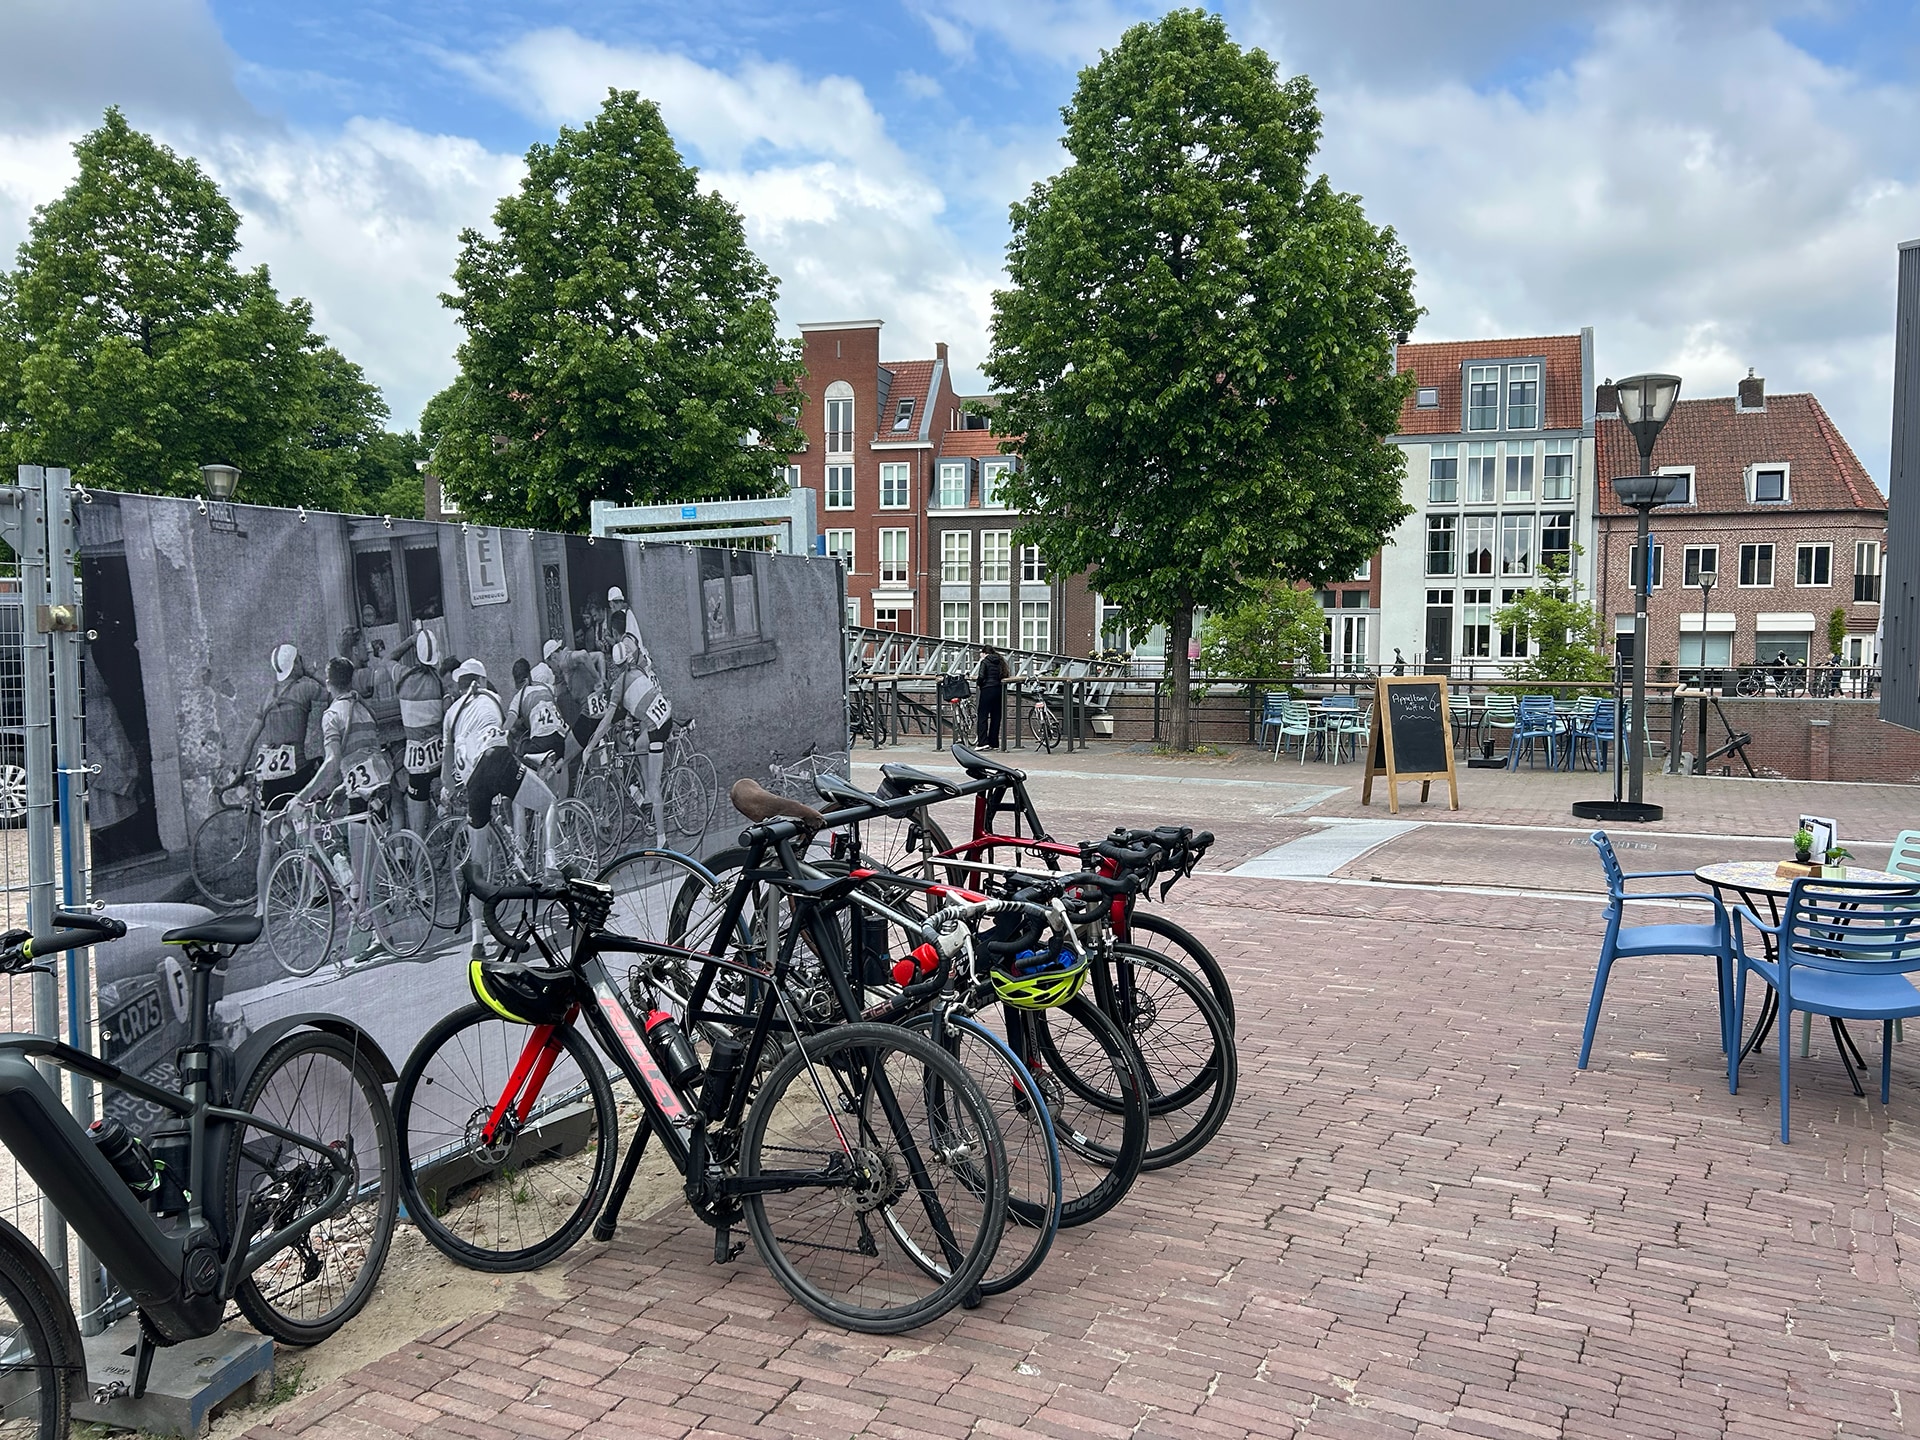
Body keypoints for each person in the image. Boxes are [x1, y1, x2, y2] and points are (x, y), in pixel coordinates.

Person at [441, 660, 564, 960]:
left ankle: (477, 938)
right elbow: (504, 739)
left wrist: (452, 788)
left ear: (459, 685)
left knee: (477, 864)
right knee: (548, 802)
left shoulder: (450, 715)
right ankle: (550, 865)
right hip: (497, 760)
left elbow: (446, 775)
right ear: (482, 681)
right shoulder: (492, 697)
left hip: (473, 783)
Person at [296, 657, 395, 960]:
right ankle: (378, 934)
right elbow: (367, 752)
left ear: (328, 682)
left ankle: (375, 935)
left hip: (359, 795)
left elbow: (332, 761)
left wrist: (303, 795)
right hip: (378, 787)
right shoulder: (364, 708)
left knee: (362, 874)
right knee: (370, 868)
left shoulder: (332, 715)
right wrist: (341, 788)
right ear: (350, 680)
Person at [232, 643, 327, 915]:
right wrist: (312, 673)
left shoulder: (269, 696)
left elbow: (250, 740)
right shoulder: (307, 687)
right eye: (301, 661)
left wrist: (240, 770)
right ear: (296, 664)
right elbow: (334, 693)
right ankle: (313, 891)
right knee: (305, 831)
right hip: (296, 769)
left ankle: (261, 906)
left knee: (267, 842)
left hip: (270, 774)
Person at [581, 631, 673, 847]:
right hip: (664, 718)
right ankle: (646, 796)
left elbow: (606, 722)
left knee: (653, 784)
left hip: (658, 728)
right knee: (640, 744)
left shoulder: (619, 686)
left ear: (614, 665)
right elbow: (638, 702)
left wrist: (590, 746)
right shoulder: (638, 671)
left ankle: (662, 840)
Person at [396, 630, 447, 838]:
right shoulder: (440, 682)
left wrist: (410, 640)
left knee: (417, 831)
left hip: (417, 764)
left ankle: (418, 869)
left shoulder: (402, 676)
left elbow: (388, 660)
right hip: (440, 756)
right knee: (453, 807)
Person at [506, 658, 576, 798]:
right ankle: (562, 808)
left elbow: (507, 726)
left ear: (516, 681)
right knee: (559, 766)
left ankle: (536, 799)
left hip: (542, 741)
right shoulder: (546, 688)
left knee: (519, 759)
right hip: (561, 738)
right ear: (530, 675)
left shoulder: (519, 697)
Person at [975, 643, 1006, 749]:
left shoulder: (985, 662)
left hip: (987, 690)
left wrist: (979, 684)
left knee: (982, 716)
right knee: (996, 716)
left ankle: (983, 742)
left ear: (984, 653)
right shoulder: (1000, 661)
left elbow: (981, 676)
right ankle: (994, 742)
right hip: (998, 690)